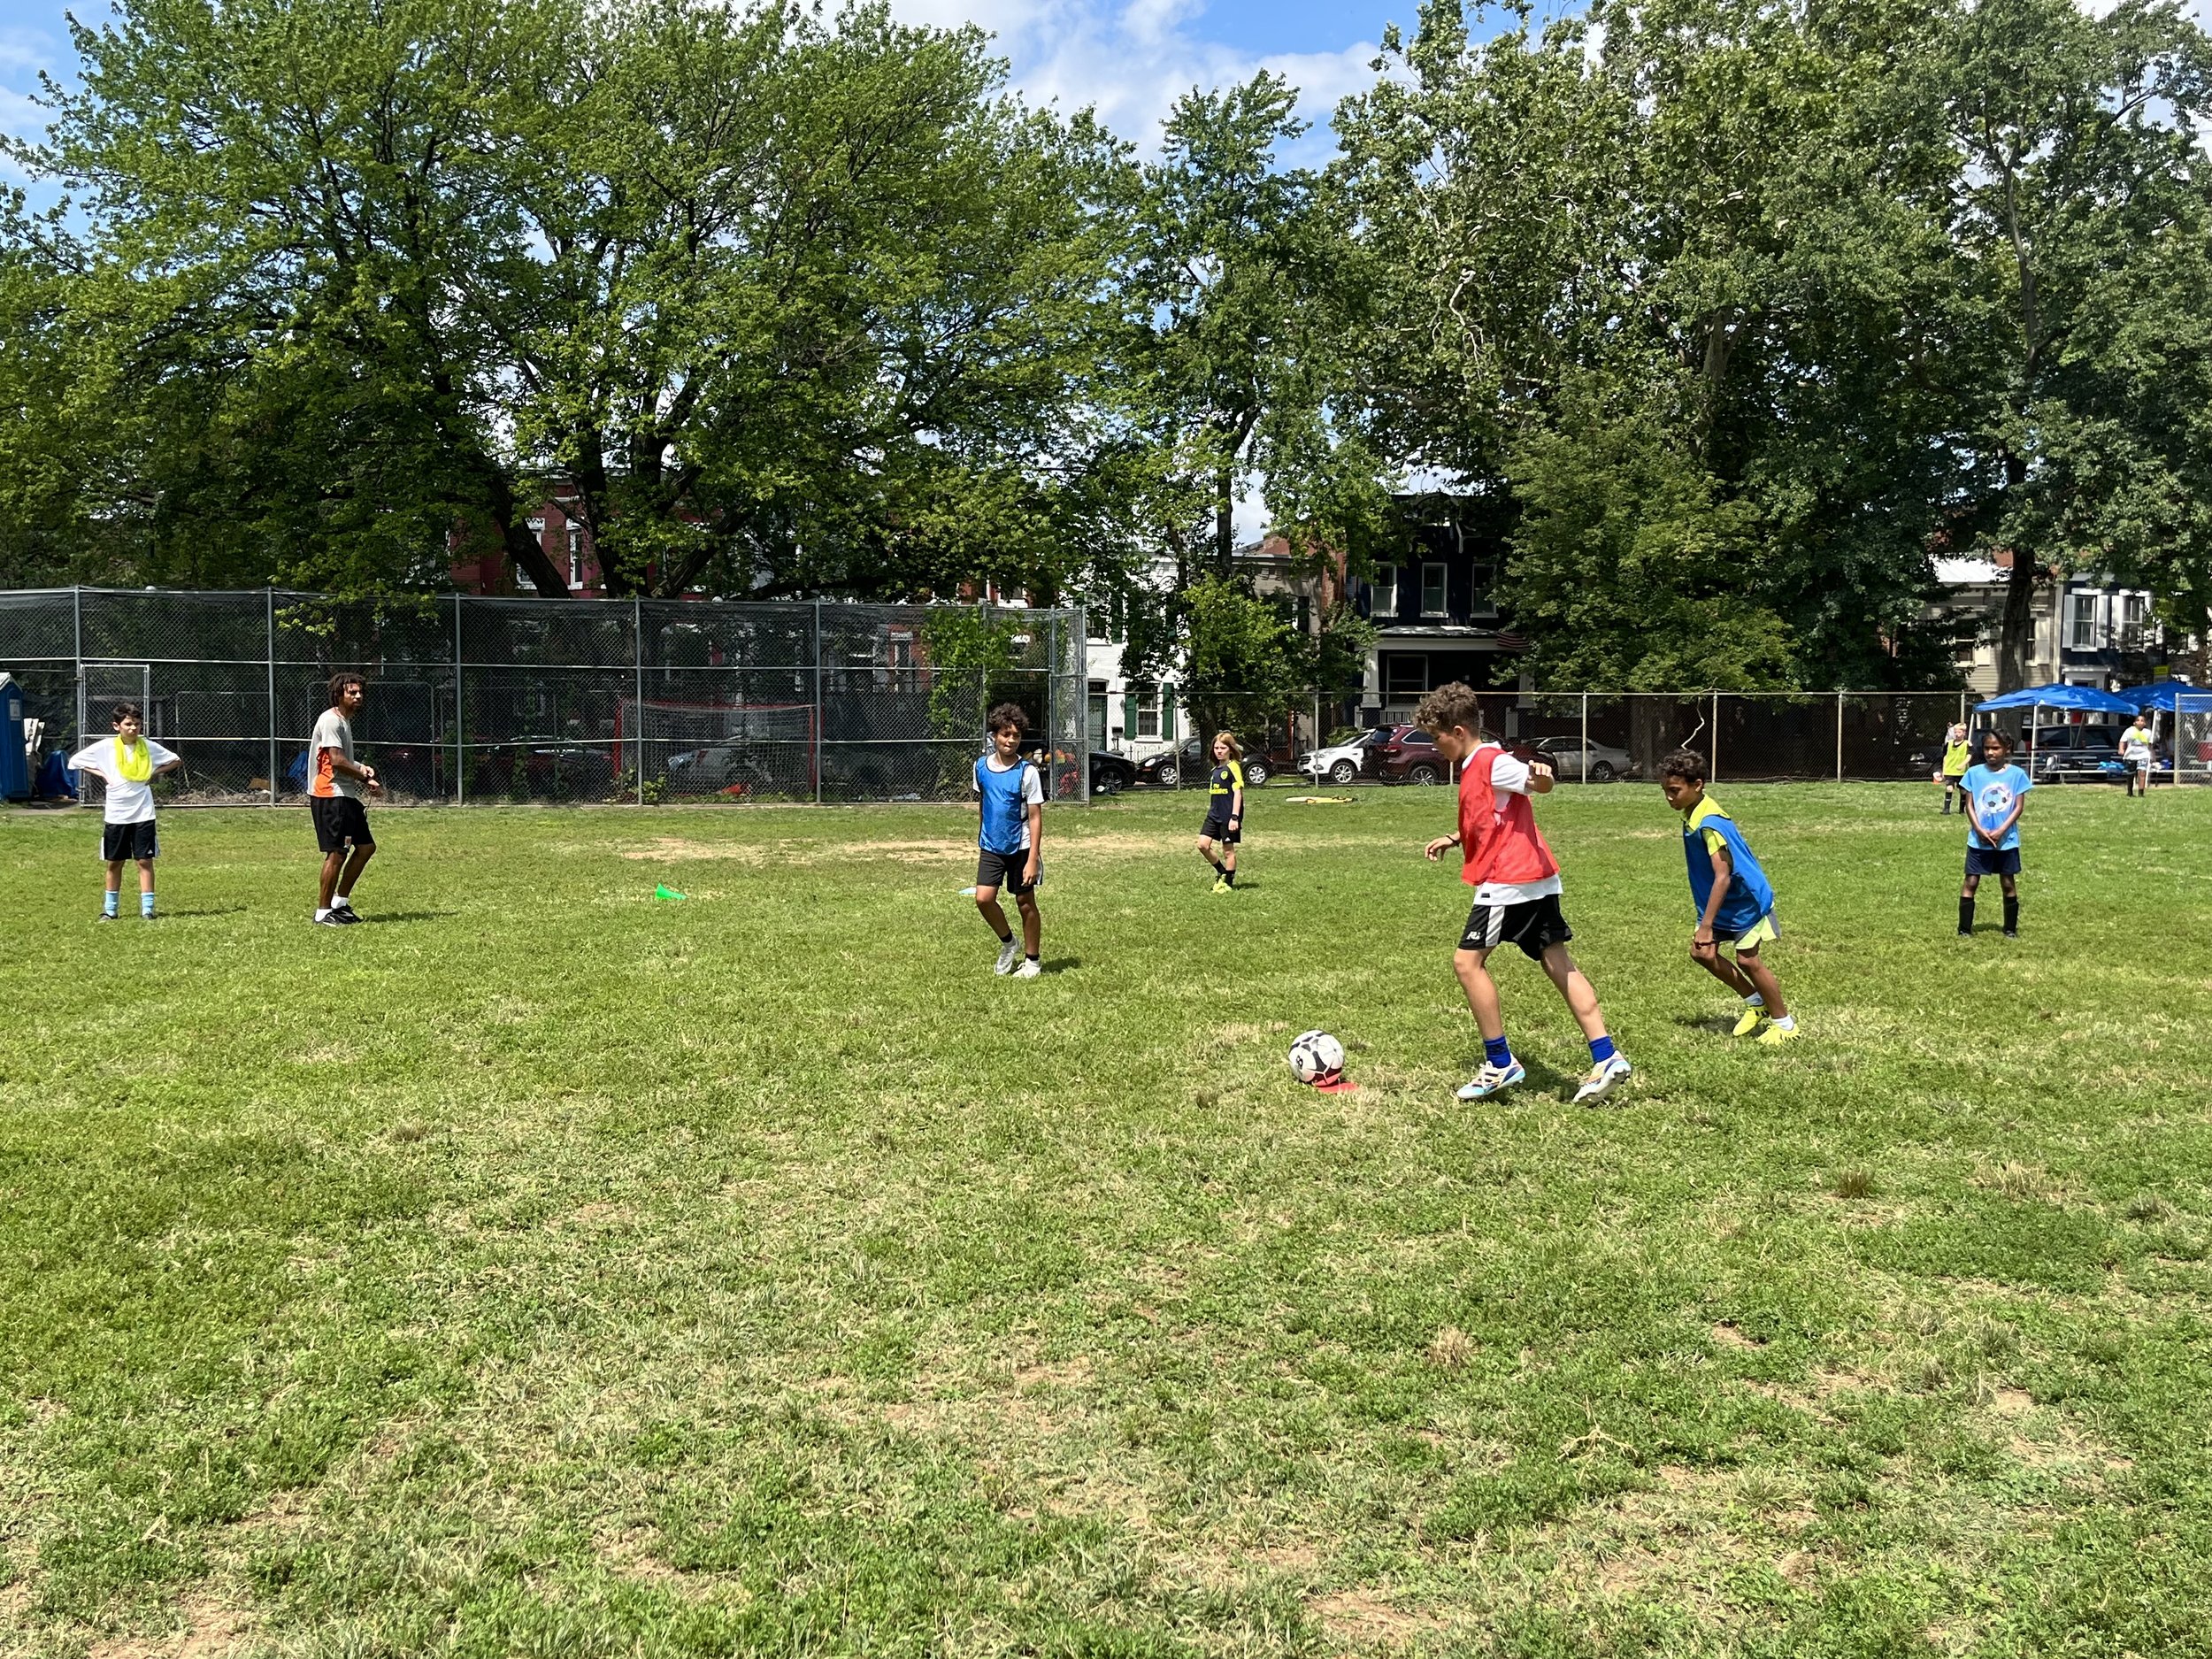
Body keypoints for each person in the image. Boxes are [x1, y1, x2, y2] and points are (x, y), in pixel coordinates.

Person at [1417, 681, 1632, 1105]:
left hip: (1508, 882)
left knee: (1467, 963)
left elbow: (1536, 784)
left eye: (1436, 738)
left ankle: (1500, 1063)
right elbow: (1487, 815)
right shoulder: (1476, 764)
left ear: (1458, 731)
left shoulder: (1490, 761)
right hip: (1537, 879)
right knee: (1557, 962)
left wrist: (1542, 776)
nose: (1435, 747)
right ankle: (1606, 1056)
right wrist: (1454, 837)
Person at [1657, 749, 1798, 1045]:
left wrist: (1706, 925)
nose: (1669, 798)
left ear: (1698, 785)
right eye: (1665, 791)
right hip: (1724, 903)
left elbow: (1723, 875)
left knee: (1748, 961)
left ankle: (1785, 1024)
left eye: (1674, 791)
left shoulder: (1710, 824)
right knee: (1702, 953)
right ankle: (1755, 1002)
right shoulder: (1695, 813)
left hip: (1745, 902)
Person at [69, 702, 181, 921]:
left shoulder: (147, 746)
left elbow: (176, 760)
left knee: (144, 861)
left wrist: (152, 773)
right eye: (128, 724)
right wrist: (102, 773)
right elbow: (75, 761)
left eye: (137, 724)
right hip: (117, 814)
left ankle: (147, 910)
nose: (133, 728)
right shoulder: (105, 748)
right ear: (116, 726)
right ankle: (110, 910)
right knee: (115, 862)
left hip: (143, 813)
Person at [972, 702, 1044, 979]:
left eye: (1016, 735)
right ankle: (1008, 943)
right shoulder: (980, 767)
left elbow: (1036, 817)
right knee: (983, 899)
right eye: (1005, 734)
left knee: (1025, 904)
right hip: (991, 845)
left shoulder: (1027, 772)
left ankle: (1033, 962)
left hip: (1021, 847)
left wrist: (1032, 860)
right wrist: (983, 834)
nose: (1010, 740)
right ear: (994, 736)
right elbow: (984, 804)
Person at [310, 672, 382, 926]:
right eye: (352, 692)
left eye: (360, 692)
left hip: (345, 794)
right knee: (337, 853)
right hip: (331, 795)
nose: (358, 696)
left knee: (365, 848)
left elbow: (341, 759)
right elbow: (337, 762)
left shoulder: (343, 722)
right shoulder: (331, 721)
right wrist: (364, 776)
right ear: (339, 694)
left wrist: (362, 767)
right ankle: (322, 912)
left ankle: (339, 903)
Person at [1960, 728, 2031, 938]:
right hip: (1978, 840)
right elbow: (1969, 805)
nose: (1990, 752)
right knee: (1971, 881)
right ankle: (1964, 929)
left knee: (2007, 882)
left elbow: (2018, 807)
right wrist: (1979, 829)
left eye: (1995, 748)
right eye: (1987, 748)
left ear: (2006, 749)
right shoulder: (1974, 773)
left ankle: (2010, 929)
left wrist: (2001, 830)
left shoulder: (2017, 775)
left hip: (2006, 840)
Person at [1197, 731, 1245, 892]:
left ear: (1230, 749)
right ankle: (1222, 872)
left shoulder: (1233, 767)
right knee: (1202, 845)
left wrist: (1234, 817)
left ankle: (1228, 882)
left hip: (1228, 816)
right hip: (1213, 815)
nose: (1219, 751)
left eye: (1223, 748)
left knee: (1228, 851)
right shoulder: (1215, 770)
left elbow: (1238, 793)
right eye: (1216, 748)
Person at [1937, 723, 1972, 814]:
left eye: (1959, 732)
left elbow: (1969, 756)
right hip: (1950, 770)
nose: (1957, 734)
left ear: (1964, 733)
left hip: (1961, 772)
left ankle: (1962, 810)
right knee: (1949, 788)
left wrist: (1963, 764)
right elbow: (1945, 757)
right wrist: (1944, 770)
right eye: (1955, 732)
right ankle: (1946, 809)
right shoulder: (1949, 744)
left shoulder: (1967, 744)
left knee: (1963, 791)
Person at [2118, 710, 2155, 797]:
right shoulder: (2129, 731)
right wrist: (2121, 749)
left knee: (2142, 772)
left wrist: (2152, 755)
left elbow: (2150, 745)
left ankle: (2141, 793)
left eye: (2142, 720)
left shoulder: (2148, 733)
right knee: (2130, 774)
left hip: (2143, 755)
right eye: (2138, 720)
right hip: (2131, 755)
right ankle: (2130, 792)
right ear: (2134, 722)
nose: (2140, 722)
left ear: (2145, 723)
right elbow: (2122, 741)